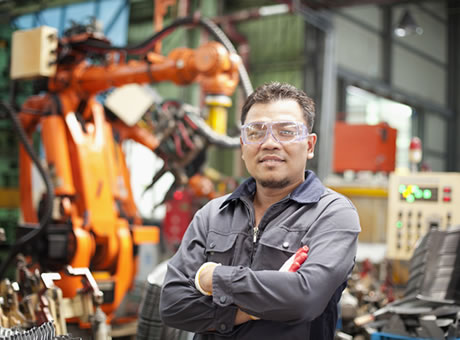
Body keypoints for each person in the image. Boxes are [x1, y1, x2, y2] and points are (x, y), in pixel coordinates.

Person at [159, 82, 361, 340]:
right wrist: (246, 312)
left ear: (309, 146)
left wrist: (214, 278)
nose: (269, 143)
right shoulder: (213, 214)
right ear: (243, 145)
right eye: (255, 132)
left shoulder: (331, 214)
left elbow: (305, 298)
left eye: (286, 132)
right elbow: (173, 305)